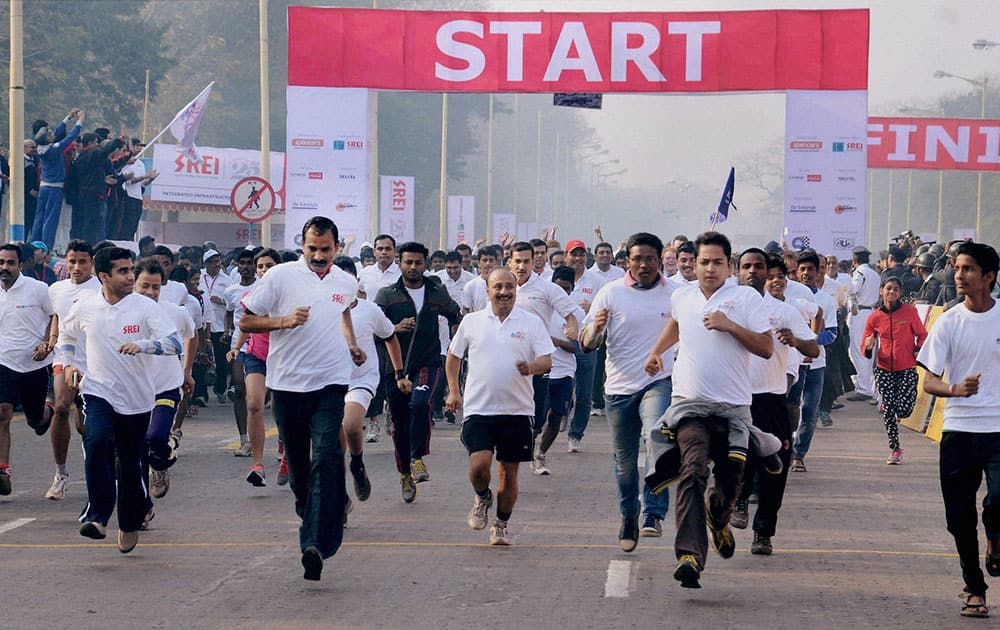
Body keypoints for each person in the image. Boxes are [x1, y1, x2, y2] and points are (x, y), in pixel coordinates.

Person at [643, 232, 773, 588]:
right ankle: (689, 555)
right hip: (689, 405)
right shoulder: (682, 296)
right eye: (704, 262)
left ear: (729, 265)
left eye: (717, 262)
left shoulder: (745, 297)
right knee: (692, 470)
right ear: (693, 264)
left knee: (730, 479)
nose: (710, 268)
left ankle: (719, 517)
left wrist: (729, 325)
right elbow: (676, 323)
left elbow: (766, 347)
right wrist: (657, 352)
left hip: (732, 410)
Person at [240, 216, 365, 580]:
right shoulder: (279, 277)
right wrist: (282, 322)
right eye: (312, 248)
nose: (318, 255)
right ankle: (308, 509)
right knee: (299, 473)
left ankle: (315, 543)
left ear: (337, 248)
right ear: (302, 246)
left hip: (330, 384)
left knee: (327, 457)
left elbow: (341, 313)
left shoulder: (346, 282)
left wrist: (352, 345)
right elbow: (246, 322)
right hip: (288, 387)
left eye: (325, 249)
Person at [58, 246, 181, 553]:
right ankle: (98, 516)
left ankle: (128, 523)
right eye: (123, 271)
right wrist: (70, 363)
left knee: (129, 464)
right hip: (98, 390)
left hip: (138, 399)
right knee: (97, 442)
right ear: (104, 276)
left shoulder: (145, 307)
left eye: (131, 270)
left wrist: (144, 345)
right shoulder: (85, 305)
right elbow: (66, 336)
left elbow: (174, 343)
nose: (130, 277)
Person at [916, 242, 1000, 619]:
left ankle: (995, 540)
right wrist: (954, 389)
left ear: (989, 277)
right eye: (957, 268)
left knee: (997, 501)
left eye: (967, 269)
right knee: (959, 518)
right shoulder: (948, 321)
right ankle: (974, 589)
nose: (958, 275)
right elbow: (928, 380)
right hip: (959, 429)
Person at [446, 267, 554, 546]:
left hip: (517, 411)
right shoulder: (472, 321)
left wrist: (530, 366)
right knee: (479, 466)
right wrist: (454, 391)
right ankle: (482, 496)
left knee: (508, 474)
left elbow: (547, 360)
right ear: (488, 290)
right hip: (479, 410)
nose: (504, 292)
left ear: (516, 289)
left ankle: (501, 525)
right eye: (498, 287)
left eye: (510, 287)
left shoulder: (531, 322)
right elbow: (454, 356)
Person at [581, 232, 674, 549]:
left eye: (650, 258)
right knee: (624, 461)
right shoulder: (610, 294)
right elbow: (587, 343)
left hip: (659, 382)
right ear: (627, 261)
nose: (644, 264)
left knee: (656, 437)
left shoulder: (675, 294)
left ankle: (653, 514)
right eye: (637, 259)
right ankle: (628, 516)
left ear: (660, 259)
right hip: (620, 387)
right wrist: (597, 327)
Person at [731, 251, 818, 555]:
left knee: (775, 465)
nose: (753, 272)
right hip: (734, 398)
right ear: (736, 271)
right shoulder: (725, 306)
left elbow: (814, 348)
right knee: (739, 459)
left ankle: (763, 531)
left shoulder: (784, 311)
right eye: (747, 267)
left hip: (771, 397)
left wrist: (796, 341)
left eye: (759, 267)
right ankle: (738, 499)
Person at [373, 241, 461, 502]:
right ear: (399, 262)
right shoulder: (387, 295)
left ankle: (417, 458)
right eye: (408, 262)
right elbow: (374, 331)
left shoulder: (436, 291)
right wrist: (395, 328)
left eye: (418, 263)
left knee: (421, 404)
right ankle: (405, 474)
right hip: (395, 367)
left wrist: (459, 341)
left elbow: (455, 316)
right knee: (399, 423)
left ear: (427, 263)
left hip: (428, 362)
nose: (413, 267)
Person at [332, 255, 410, 502]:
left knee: (351, 426)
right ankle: (341, 499)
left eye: (348, 280)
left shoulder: (370, 310)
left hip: (360, 379)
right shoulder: (319, 309)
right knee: (331, 447)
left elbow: (389, 337)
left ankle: (357, 463)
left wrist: (399, 373)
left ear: (356, 282)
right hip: (328, 381)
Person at [133, 258, 196, 504]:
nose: (150, 292)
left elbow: (191, 336)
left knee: (155, 438)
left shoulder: (175, 313)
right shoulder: (122, 312)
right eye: (144, 286)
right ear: (133, 283)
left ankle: (161, 462)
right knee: (134, 451)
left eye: (155, 287)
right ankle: (142, 505)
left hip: (166, 387)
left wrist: (187, 370)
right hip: (133, 390)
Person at [507, 242, 581, 449]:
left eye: (526, 262)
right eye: (518, 262)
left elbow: (569, 313)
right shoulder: (502, 285)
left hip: (538, 362)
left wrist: (572, 328)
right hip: (507, 358)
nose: (521, 267)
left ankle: (532, 437)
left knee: (538, 415)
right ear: (510, 262)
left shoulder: (547, 288)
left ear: (534, 262)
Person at [43, 240, 101, 500]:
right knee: (62, 407)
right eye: (72, 262)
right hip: (65, 359)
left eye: (82, 262)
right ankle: (61, 474)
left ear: (92, 263)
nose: (77, 267)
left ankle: (98, 473)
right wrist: (50, 342)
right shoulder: (56, 290)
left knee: (86, 426)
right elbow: (56, 319)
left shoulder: (101, 288)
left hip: (95, 363)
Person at [0, 243, 56, 495]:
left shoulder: (38, 289)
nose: (5, 268)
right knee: (3, 412)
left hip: (34, 364)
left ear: (20, 265)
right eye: (1, 263)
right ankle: (3, 470)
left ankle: (48, 411)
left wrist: (48, 342)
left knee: (36, 420)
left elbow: (55, 317)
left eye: (10, 263)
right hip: (4, 362)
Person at [228, 248, 281, 486]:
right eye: (261, 267)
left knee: (281, 409)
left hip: (283, 358)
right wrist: (237, 347)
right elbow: (245, 323)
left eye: (269, 266)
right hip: (256, 356)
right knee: (254, 403)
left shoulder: (289, 294)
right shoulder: (253, 294)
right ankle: (258, 464)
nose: (264, 270)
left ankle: (285, 450)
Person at [862, 276, 928, 464]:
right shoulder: (874, 316)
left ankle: (901, 412)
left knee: (905, 410)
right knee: (889, 409)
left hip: (907, 366)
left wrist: (917, 349)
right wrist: (868, 346)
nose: (891, 292)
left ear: (900, 293)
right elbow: (866, 343)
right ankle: (895, 449)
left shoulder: (910, 312)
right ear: (882, 290)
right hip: (883, 368)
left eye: (896, 290)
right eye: (888, 288)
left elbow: (922, 335)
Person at [789, 251, 838, 472]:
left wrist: (811, 342)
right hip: (793, 364)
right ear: (797, 272)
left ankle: (799, 454)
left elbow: (832, 333)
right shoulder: (789, 297)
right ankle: (785, 448)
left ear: (818, 271)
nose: (806, 273)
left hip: (817, 365)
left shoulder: (826, 300)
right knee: (790, 410)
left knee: (810, 410)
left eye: (811, 269)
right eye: (803, 269)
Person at [532, 266, 577, 476]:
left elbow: (579, 346)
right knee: (537, 417)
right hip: (542, 370)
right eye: (557, 288)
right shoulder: (539, 308)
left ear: (572, 289)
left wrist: (558, 341)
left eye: (566, 289)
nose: (561, 293)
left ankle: (540, 454)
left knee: (557, 415)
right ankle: (527, 447)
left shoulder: (576, 314)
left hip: (565, 371)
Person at [561, 240, 606, 453]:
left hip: (586, 345)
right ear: (566, 256)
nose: (577, 259)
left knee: (584, 393)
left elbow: (605, 311)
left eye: (581, 255)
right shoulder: (556, 278)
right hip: (560, 343)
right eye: (573, 254)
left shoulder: (596, 281)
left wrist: (592, 309)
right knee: (561, 387)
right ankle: (559, 414)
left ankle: (575, 433)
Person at [32, 109, 84, 249]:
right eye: (50, 134)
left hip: (44, 186)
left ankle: (34, 245)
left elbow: (57, 131)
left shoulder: (40, 147)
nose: (52, 134)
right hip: (55, 187)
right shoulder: (54, 149)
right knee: (51, 219)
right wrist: (79, 122)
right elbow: (69, 137)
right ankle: (46, 247)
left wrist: (68, 118)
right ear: (46, 138)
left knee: (39, 217)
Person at [224, 248, 257, 457]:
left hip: (261, 344)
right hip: (239, 345)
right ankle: (244, 439)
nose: (245, 267)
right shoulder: (231, 291)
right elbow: (230, 313)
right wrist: (228, 331)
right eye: (241, 263)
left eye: (249, 263)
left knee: (256, 397)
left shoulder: (262, 287)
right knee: (239, 389)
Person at [847, 246, 882, 401]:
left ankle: (864, 387)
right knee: (869, 351)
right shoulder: (875, 274)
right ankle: (867, 385)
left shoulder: (859, 273)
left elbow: (853, 290)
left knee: (858, 349)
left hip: (860, 312)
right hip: (872, 311)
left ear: (855, 260)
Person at [199, 249, 234, 404]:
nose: (216, 265)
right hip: (202, 324)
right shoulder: (199, 277)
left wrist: (221, 301)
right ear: (205, 263)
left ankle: (220, 389)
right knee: (201, 359)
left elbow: (233, 303)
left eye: (218, 261)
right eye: (213, 262)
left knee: (221, 361)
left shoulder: (227, 280)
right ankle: (200, 393)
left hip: (220, 325)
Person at [461, 246, 499, 314]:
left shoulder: (503, 284)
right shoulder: (471, 286)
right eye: (484, 260)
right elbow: (466, 310)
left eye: (491, 260)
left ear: (496, 262)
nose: (488, 263)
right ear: (478, 263)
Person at [23, 139, 40, 238]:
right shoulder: (19, 161)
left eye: (35, 147)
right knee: (25, 222)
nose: (35, 149)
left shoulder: (36, 160)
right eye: (32, 147)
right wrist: (29, 190)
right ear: (24, 148)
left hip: (36, 197)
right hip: (25, 197)